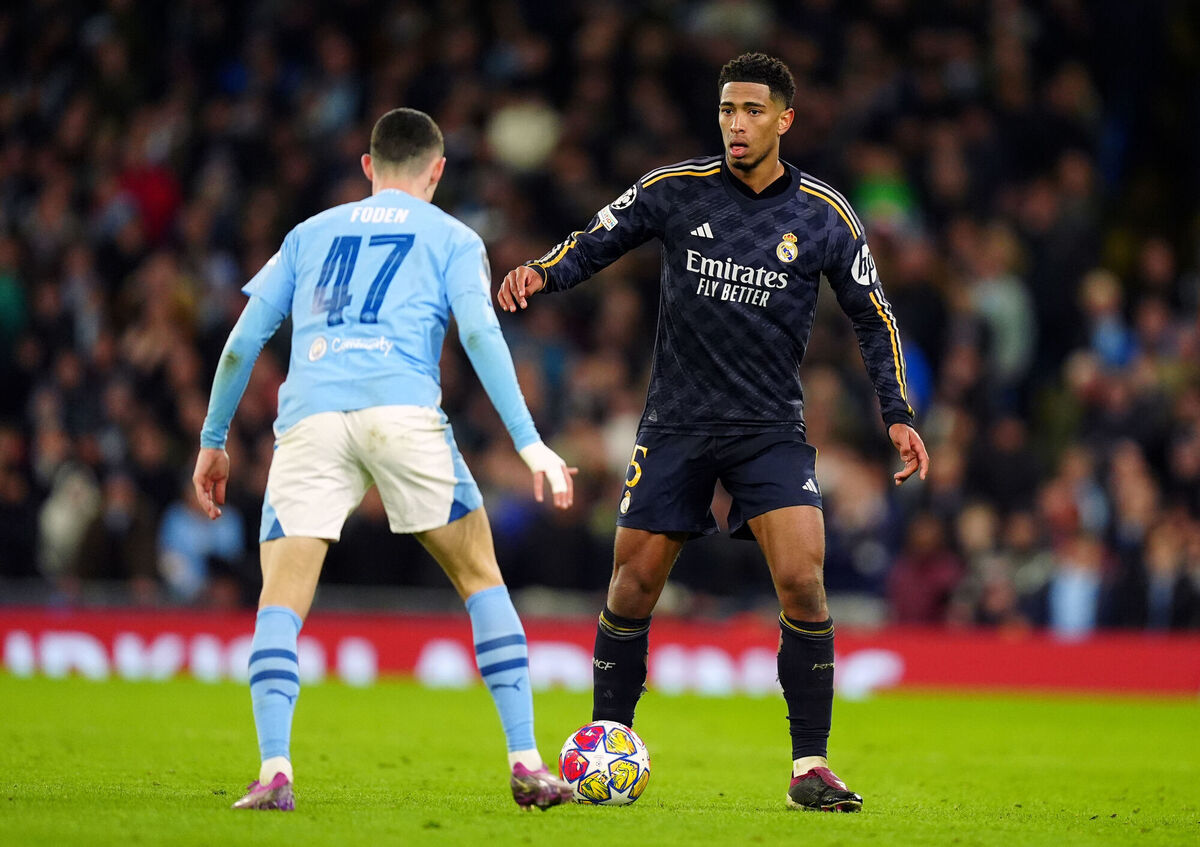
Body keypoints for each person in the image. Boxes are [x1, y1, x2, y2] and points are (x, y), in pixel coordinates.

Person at [499, 53, 930, 812]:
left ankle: (810, 766)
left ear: (784, 120)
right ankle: (608, 740)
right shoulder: (676, 190)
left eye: (753, 111)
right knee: (632, 585)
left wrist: (896, 411)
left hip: (769, 425)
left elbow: (874, 314)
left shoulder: (824, 214)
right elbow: (599, 235)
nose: (736, 123)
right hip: (676, 422)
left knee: (803, 577)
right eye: (728, 109)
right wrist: (543, 271)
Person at [193, 108, 575, 812]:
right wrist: (529, 441)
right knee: (480, 576)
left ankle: (275, 770)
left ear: (368, 168)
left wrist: (213, 439)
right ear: (437, 171)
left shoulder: (308, 235)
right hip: (403, 413)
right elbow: (484, 336)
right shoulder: (455, 236)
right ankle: (526, 760)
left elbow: (243, 341)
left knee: (280, 600)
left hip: (310, 418)